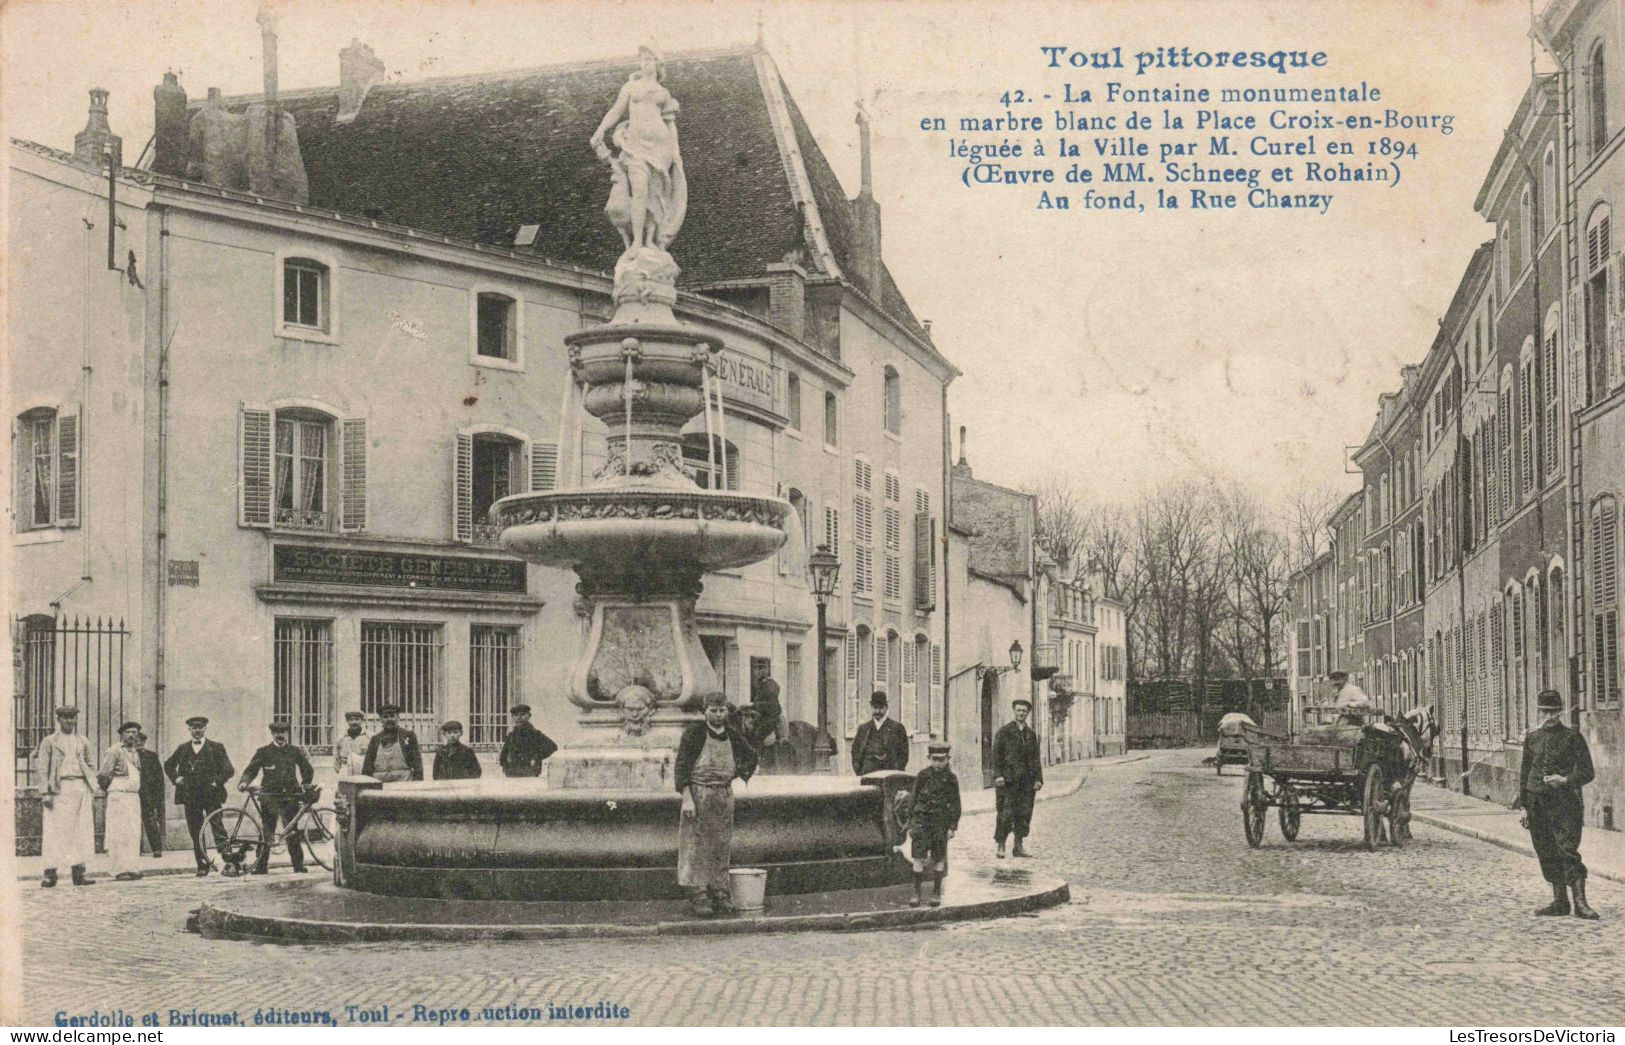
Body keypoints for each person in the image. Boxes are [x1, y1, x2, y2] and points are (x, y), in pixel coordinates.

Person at [588, 45, 687, 252]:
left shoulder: (663, 93)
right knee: (639, 190)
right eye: (642, 59)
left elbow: (670, 123)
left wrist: (675, 152)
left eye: (650, 59)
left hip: (661, 148)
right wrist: (600, 131)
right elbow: (616, 112)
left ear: (657, 63)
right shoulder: (630, 87)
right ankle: (636, 243)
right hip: (636, 146)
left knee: (655, 194)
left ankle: (650, 240)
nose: (645, 63)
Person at [1513, 689, 1599, 920]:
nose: (1548, 715)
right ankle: (1560, 902)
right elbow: (1524, 774)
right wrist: (1524, 806)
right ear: (1539, 711)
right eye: (1544, 711)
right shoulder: (1532, 738)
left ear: (1560, 712)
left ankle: (1580, 903)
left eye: (1552, 711)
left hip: (1564, 803)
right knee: (1546, 850)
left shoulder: (1572, 738)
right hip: (1536, 801)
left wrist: (1565, 780)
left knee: (1567, 849)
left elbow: (1587, 772)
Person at [674, 692, 758, 916]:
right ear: (705, 712)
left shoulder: (732, 734)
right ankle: (699, 895)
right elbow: (681, 767)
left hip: (723, 794)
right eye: (713, 710)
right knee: (695, 845)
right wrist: (687, 798)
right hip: (698, 793)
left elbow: (751, 756)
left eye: (722, 710)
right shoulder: (693, 735)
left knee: (721, 844)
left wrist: (736, 773)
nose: (718, 715)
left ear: (727, 711)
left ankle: (720, 892)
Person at [35, 708, 101, 887]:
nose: (70, 721)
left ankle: (79, 873)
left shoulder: (82, 740)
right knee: (55, 831)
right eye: (66, 718)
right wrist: (45, 793)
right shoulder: (49, 742)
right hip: (59, 789)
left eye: (72, 718)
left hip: (80, 788)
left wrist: (90, 783)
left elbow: (90, 763)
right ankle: (50, 873)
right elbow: (42, 768)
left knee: (81, 831)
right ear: (58, 719)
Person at [238, 720, 314, 874]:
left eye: (283, 732)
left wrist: (305, 785)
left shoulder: (294, 751)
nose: (280, 735)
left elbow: (307, 769)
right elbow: (251, 770)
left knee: (291, 830)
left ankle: (298, 866)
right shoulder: (264, 751)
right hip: (270, 797)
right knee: (267, 830)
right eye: (277, 733)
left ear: (287, 734)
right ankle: (261, 866)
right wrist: (244, 782)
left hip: (290, 796)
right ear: (272, 734)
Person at [164, 714, 234, 876]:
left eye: (200, 728)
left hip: (211, 795)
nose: (197, 731)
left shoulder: (216, 747)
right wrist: (176, 778)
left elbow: (229, 769)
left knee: (218, 828)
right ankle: (202, 864)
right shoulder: (183, 748)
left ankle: (230, 863)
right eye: (194, 728)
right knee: (196, 831)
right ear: (189, 729)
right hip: (190, 796)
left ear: (205, 729)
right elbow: (168, 765)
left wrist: (217, 780)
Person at [902, 740, 961, 908]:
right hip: (922, 821)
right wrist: (911, 822)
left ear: (948, 759)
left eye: (942, 759)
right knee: (918, 857)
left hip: (940, 822)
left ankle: (936, 892)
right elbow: (912, 799)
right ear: (929, 758)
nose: (938, 763)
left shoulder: (951, 779)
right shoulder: (922, 775)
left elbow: (956, 804)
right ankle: (916, 892)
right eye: (935, 759)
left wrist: (952, 826)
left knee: (938, 858)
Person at [992, 697, 1044, 859]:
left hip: (1026, 782)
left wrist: (1038, 779)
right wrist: (998, 775)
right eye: (1019, 710)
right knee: (1005, 813)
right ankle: (1001, 846)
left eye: (1024, 711)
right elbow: (996, 756)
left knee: (1024, 813)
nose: (1021, 713)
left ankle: (1018, 846)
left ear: (1027, 713)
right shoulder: (1004, 732)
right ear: (1014, 711)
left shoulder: (1031, 734)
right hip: (1008, 781)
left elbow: (1036, 758)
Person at [97, 721, 146, 881]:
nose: (132, 735)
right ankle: (118, 870)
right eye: (128, 732)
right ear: (122, 734)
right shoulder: (114, 751)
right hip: (119, 795)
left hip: (133, 796)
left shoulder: (135, 752)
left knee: (132, 832)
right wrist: (113, 790)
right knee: (118, 833)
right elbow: (103, 775)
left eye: (135, 732)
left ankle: (132, 867)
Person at [852, 691, 910, 776]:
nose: (878, 711)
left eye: (881, 708)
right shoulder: (863, 729)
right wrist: (859, 771)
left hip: (889, 775)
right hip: (867, 774)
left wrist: (896, 773)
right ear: (871, 708)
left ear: (886, 708)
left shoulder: (897, 728)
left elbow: (903, 754)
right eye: (875, 708)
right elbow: (855, 751)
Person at [363, 704, 423, 782]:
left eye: (392, 716)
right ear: (380, 719)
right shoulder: (375, 739)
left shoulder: (408, 735)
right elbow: (368, 765)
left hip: (404, 780)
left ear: (398, 718)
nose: (389, 719)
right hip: (379, 781)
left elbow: (417, 762)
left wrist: (418, 782)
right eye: (385, 717)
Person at [499, 704, 558, 777]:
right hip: (512, 773)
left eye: (523, 714)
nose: (519, 718)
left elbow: (552, 747)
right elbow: (503, 756)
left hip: (529, 772)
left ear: (529, 716)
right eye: (516, 715)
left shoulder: (535, 734)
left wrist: (536, 758)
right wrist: (506, 765)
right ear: (512, 717)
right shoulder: (511, 736)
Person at [135, 731, 166, 858]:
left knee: (150, 822)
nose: (138, 743)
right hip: (131, 794)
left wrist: (157, 796)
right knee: (131, 823)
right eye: (136, 741)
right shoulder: (126, 755)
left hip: (147, 795)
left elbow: (159, 777)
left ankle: (156, 849)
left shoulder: (152, 756)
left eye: (141, 741)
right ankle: (134, 849)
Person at [334, 710, 369, 776]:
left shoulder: (369, 737)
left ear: (361, 720)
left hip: (363, 770)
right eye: (351, 720)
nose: (354, 722)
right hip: (345, 770)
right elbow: (336, 758)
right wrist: (340, 771)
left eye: (357, 719)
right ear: (347, 721)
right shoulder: (341, 738)